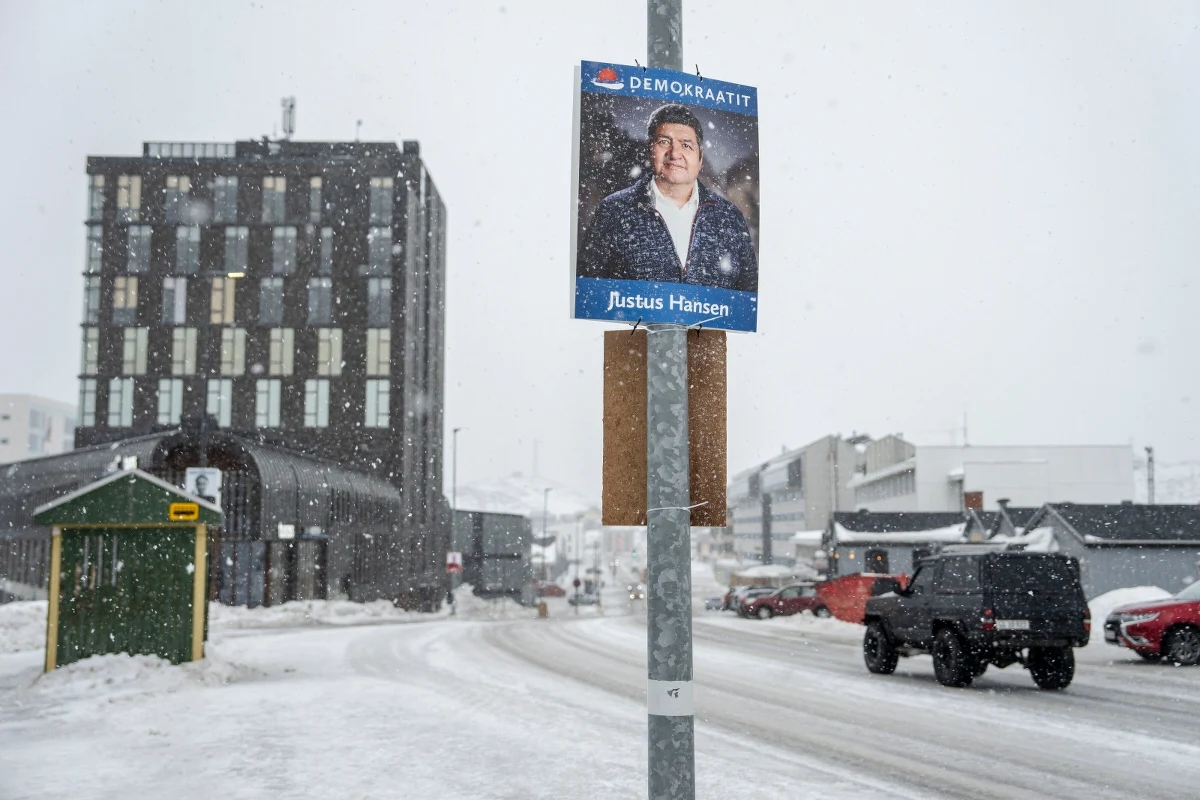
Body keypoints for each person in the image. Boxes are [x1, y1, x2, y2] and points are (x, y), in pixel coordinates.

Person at [578, 103, 758, 292]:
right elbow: (588, 293)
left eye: (686, 145)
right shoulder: (613, 210)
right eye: (664, 142)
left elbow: (748, 298)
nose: (675, 153)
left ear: (700, 158)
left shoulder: (730, 218)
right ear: (650, 149)